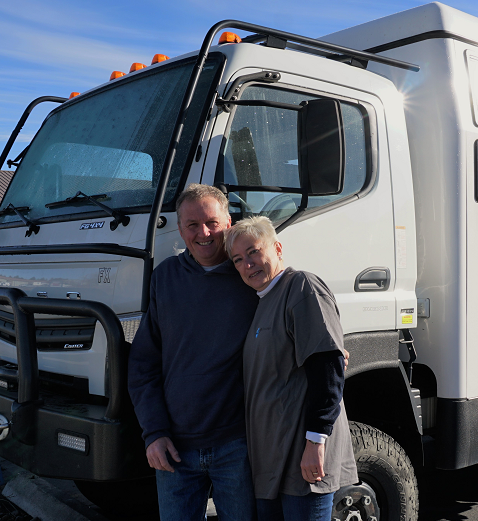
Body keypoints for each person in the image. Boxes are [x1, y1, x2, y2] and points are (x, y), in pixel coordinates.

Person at [127, 184, 259, 521]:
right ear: (179, 227)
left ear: (229, 223)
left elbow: (291, 317)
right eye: (192, 225)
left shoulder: (251, 276)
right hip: (175, 449)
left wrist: (322, 346)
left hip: (238, 446)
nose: (204, 233)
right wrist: (153, 433)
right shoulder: (165, 278)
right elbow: (144, 364)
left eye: (213, 223)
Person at [225, 216, 358, 521]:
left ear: (278, 248)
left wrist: (315, 442)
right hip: (272, 460)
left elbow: (327, 366)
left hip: (302, 457)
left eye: (254, 252)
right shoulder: (262, 301)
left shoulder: (301, 287)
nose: (248, 264)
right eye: (238, 260)